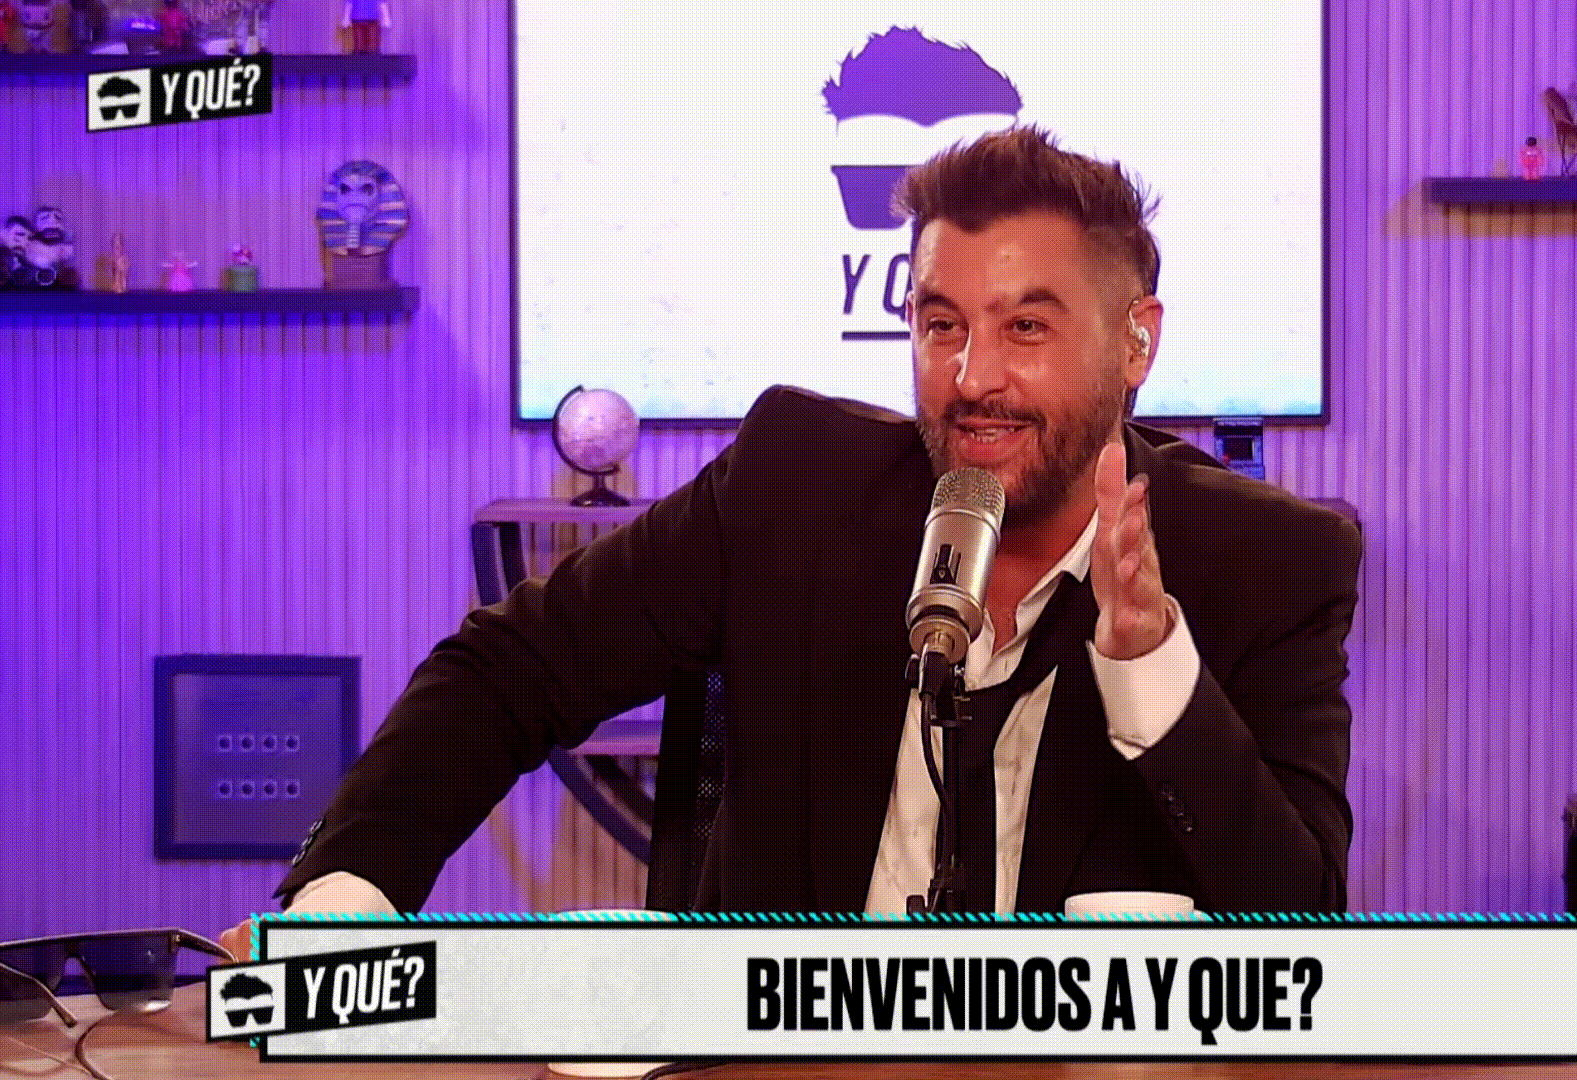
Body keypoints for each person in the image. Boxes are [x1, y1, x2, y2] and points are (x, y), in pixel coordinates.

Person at [220, 125, 1361, 959]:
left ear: (1135, 342)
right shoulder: (792, 487)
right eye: (941, 324)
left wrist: (1151, 666)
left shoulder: (1264, 563)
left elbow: (1304, 924)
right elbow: (509, 668)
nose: (973, 378)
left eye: (1027, 326)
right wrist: (345, 900)